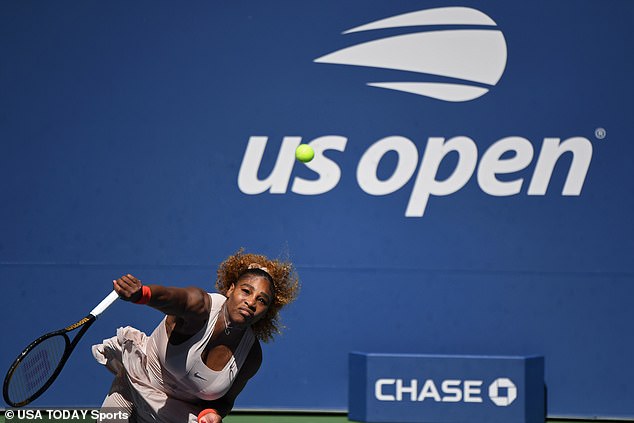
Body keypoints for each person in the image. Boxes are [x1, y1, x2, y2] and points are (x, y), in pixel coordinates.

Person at [92, 250, 300, 423]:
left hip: (174, 417)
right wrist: (144, 294)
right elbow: (175, 299)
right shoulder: (201, 307)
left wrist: (212, 412)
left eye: (261, 300)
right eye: (246, 291)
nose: (251, 302)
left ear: (267, 311)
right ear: (230, 289)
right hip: (130, 389)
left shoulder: (251, 356)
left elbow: (225, 401)